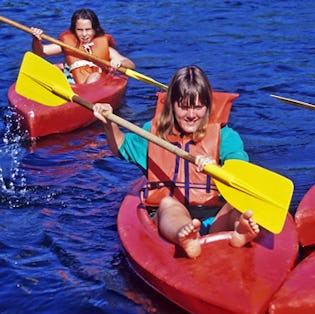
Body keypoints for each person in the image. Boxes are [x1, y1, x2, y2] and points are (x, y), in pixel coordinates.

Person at [92, 65, 259, 259]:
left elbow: (240, 171)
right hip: (174, 218)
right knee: (167, 204)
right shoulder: (153, 133)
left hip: (215, 216)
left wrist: (216, 169)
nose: (191, 114)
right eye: (184, 107)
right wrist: (109, 123)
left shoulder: (225, 136)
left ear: (207, 107)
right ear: (172, 105)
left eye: (197, 107)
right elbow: (121, 147)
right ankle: (186, 236)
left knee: (236, 207)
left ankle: (238, 231)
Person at [31, 8, 135, 84]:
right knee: (53, 68)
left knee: (94, 76)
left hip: (94, 84)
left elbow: (130, 65)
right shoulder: (67, 44)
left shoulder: (106, 48)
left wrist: (119, 62)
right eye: (80, 30)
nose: (84, 34)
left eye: (88, 29)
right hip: (71, 81)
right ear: (74, 30)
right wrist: (36, 40)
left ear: (95, 29)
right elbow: (41, 52)